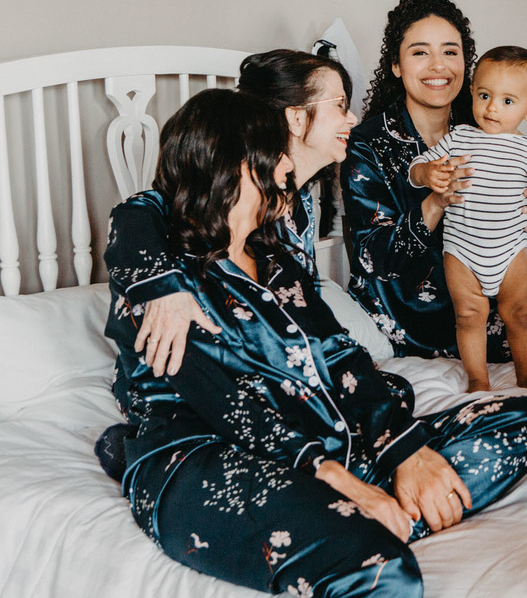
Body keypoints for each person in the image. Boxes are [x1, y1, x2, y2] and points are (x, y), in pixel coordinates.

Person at [103, 89, 527, 598]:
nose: (288, 166)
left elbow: (340, 355)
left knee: (520, 420)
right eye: (277, 153)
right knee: (381, 576)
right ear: (237, 163)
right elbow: (232, 401)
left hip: (325, 444)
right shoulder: (160, 281)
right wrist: (344, 482)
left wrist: (403, 452)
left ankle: (372, 519)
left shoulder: (277, 257)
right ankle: (359, 531)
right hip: (211, 460)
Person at [341, 0, 527, 366]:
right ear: (396, 64)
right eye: (420, 52)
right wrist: (434, 202)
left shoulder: (483, 125)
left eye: (450, 51)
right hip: (405, 315)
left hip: (481, 302)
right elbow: (375, 259)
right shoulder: (368, 143)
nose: (438, 66)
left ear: (466, 62)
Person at [110, 49, 359, 377]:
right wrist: (163, 287)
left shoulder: (300, 205)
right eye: (340, 105)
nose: (353, 118)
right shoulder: (226, 199)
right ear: (297, 118)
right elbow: (135, 213)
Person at [410, 46, 527, 391]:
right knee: (468, 316)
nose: (492, 108)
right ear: (472, 92)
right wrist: (427, 173)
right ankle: (478, 380)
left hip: (511, 250)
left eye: (507, 101)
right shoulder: (459, 138)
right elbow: (416, 167)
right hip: (461, 250)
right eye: (484, 95)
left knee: (521, 313)